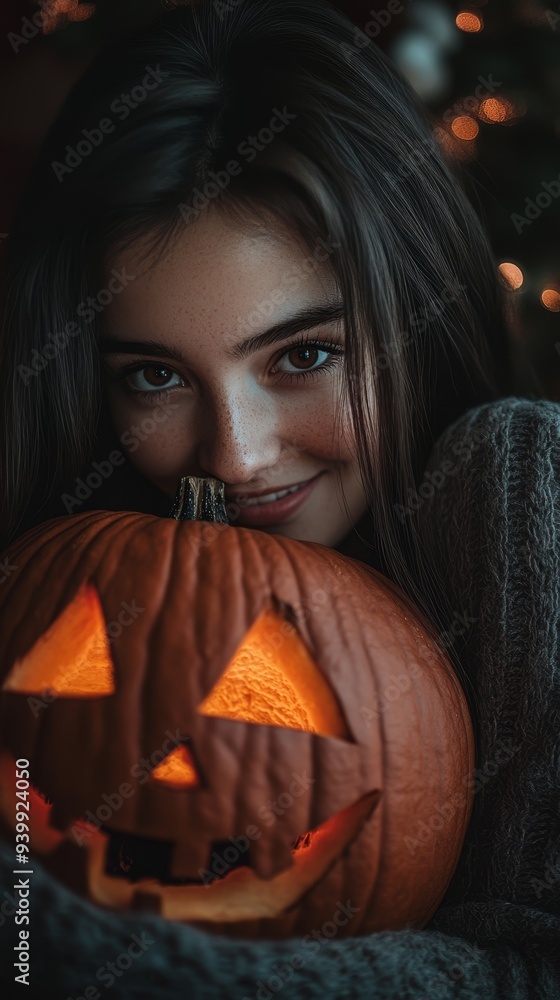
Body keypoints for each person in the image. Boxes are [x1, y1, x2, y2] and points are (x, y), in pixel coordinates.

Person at [0, 1, 558, 997]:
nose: (235, 454)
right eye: (155, 376)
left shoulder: (520, 505)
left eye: (304, 355)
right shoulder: (54, 560)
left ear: (415, 313)